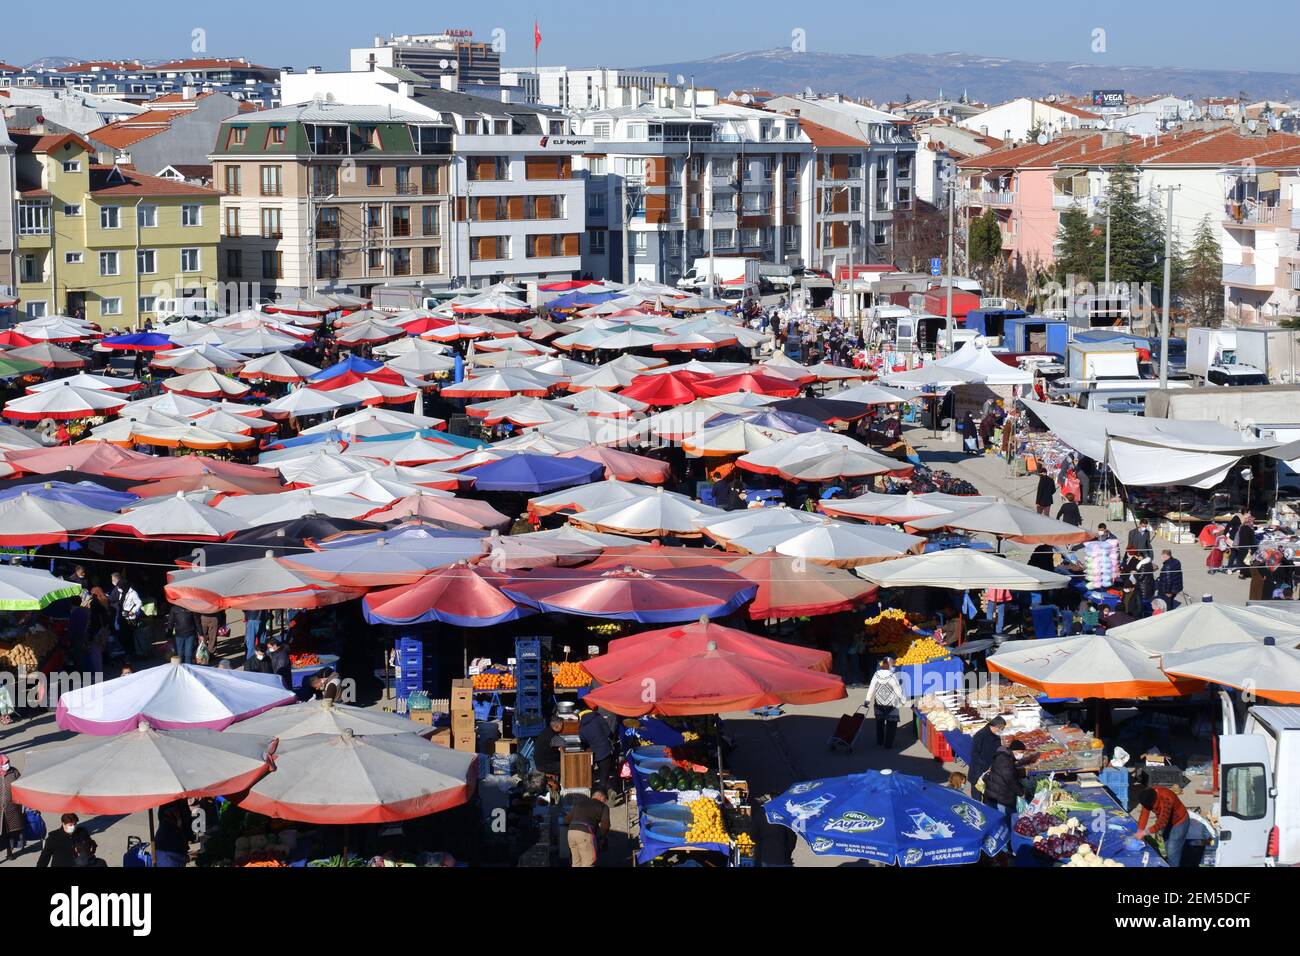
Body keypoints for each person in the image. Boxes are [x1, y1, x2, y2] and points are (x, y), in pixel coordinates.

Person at [1135, 785, 1190, 867]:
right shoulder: (1148, 795)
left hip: (1179, 822)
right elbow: (1144, 814)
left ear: (1154, 801)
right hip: (1167, 823)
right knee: (1168, 848)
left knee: (1172, 852)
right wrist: (1139, 830)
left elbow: (1162, 823)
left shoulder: (1166, 799)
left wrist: (1144, 832)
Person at [982, 740, 1026, 826]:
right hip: (1000, 795)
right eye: (1021, 752)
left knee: (998, 818)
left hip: (995, 792)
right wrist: (1020, 792)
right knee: (1001, 821)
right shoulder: (1006, 760)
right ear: (1015, 750)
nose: (1022, 754)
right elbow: (1010, 779)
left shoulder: (1004, 757)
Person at [563, 787, 610, 868]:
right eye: (605, 800)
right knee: (589, 861)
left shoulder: (579, 803)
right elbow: (605, 825)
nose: (605, 802)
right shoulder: (603, 806)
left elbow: (566, 820)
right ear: (601, 797)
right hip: (585, 833)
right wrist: (602, 838)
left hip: (571, 833)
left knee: (576, 862)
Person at [864, 657, 905, 749]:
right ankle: (888, 744)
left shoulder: (876, 674)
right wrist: (903, 700)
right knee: (891, 725)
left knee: (879, 723)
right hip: (892, 704)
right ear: (890, 666)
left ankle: (880, 741)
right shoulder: (892, 675)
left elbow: (871, 687)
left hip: (879, 703)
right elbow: (898, 690)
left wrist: (867, 700)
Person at [577, 704, 614, 791]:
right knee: (604, 774)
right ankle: (606, 791)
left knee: (596, 773)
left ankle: (602, 791)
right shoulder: (598, 718)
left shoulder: (582, 727)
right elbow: (608, 733)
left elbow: (583, 740)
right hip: (605, 751)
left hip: (593, 754)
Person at [755, 793, 797, 867]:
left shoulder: (760, 814)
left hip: (766, 857)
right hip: (783, 858)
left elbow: (754, 836)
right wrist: (787, 852)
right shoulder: (785, 815)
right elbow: (792, 837)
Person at [968, 716, 1005, 797]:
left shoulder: (996, 736)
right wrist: (986, 765)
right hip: (978, 771)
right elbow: (974, 754)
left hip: (989, 771)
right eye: (1001, 729)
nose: (1001, 731)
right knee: (976, 796)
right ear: (996, 726)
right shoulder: (980, 735)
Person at [0, 754, 25, 860]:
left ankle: (10, 852)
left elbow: (21, 785)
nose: (7, 764)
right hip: (0, 810)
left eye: (8, 762)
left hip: (12, 809)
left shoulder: (14, 772)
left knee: (10, 832)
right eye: (4, 763)